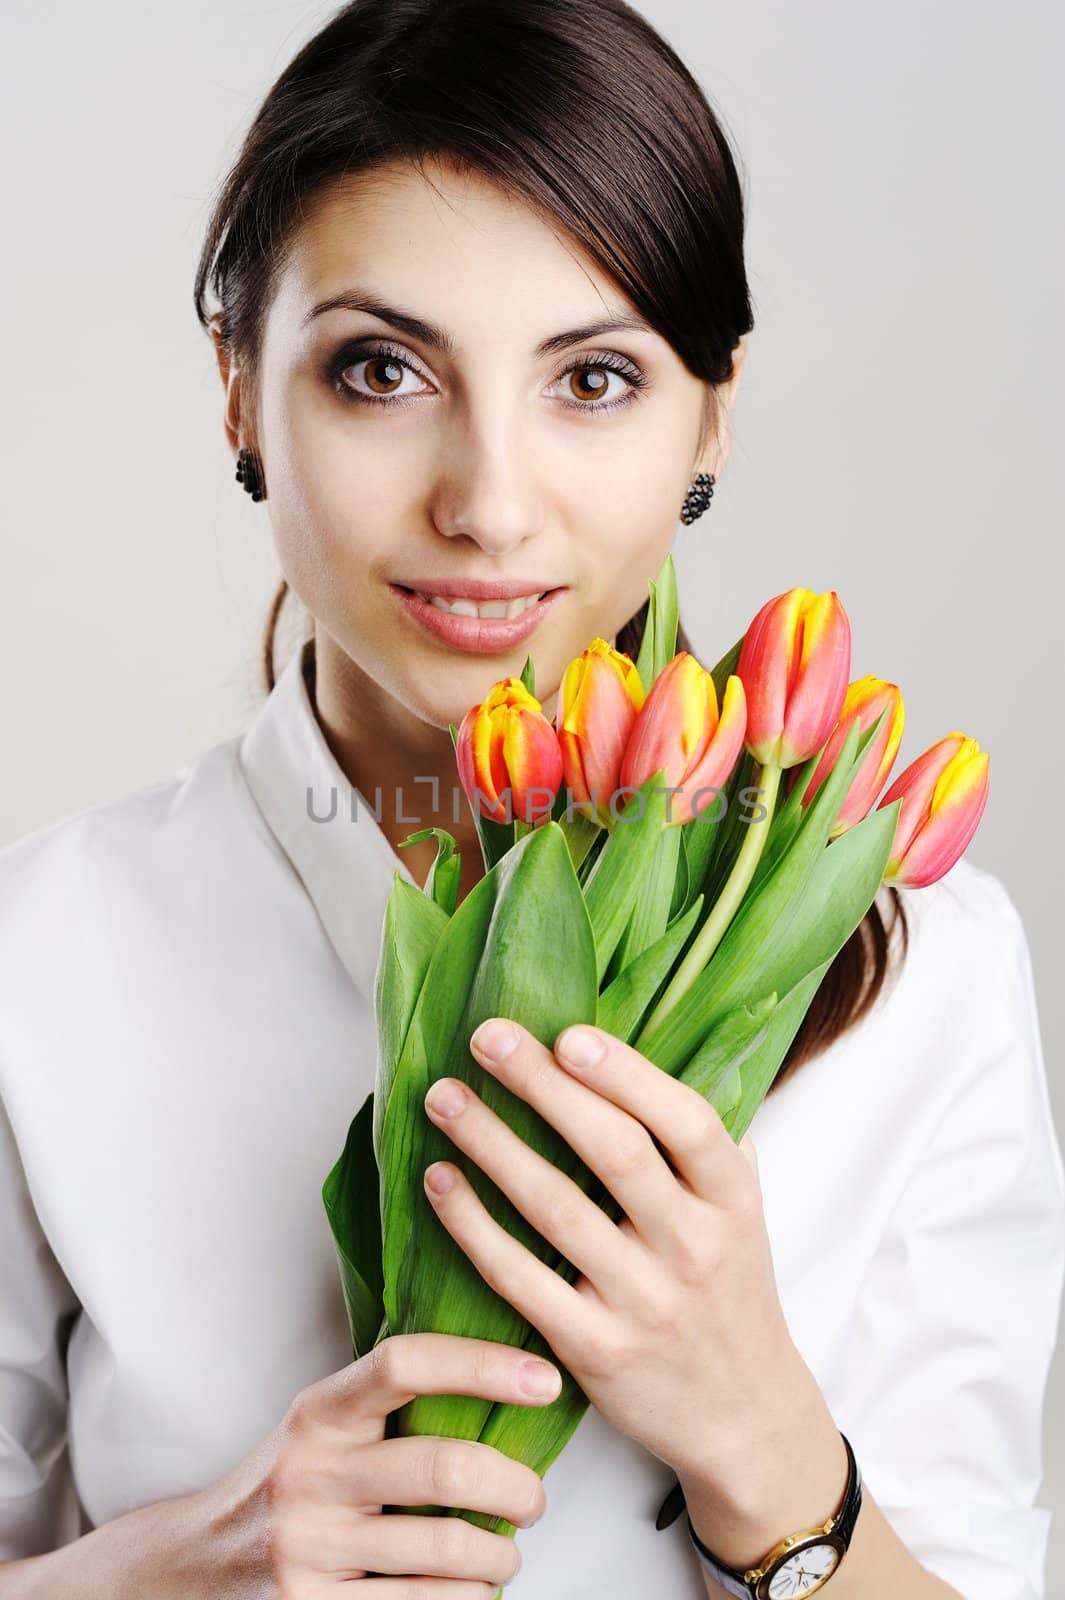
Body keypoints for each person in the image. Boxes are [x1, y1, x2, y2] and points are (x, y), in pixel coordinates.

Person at [1, 1, 1062, 1596]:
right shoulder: (42, 951)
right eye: (379, 369)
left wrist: (765, 1449)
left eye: (594, 379)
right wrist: (180, 1565)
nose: (488, 505)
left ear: (712, 408)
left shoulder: (929, 973)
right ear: (237, 391)